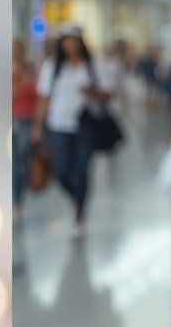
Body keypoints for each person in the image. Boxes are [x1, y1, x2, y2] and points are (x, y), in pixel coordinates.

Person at [32, 25, 112, 237]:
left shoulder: (92, 65)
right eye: (67, 41)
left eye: (74, 41)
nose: (71, 45)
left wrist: (91, 92)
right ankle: (76, 199)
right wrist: (38, 128)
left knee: (83, 169)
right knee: (60, 170)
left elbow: (108, 93)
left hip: (84, 126)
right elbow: (44, 99)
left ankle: (80, 215)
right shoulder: (52, 67)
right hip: (58, 125)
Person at [12, 37, 38, 220]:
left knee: (22, 162)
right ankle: (15, 201)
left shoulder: (31, 70)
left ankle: (19, 199)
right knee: (13, 163)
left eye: (17, 48)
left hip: (27, 119)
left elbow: (39, 95)